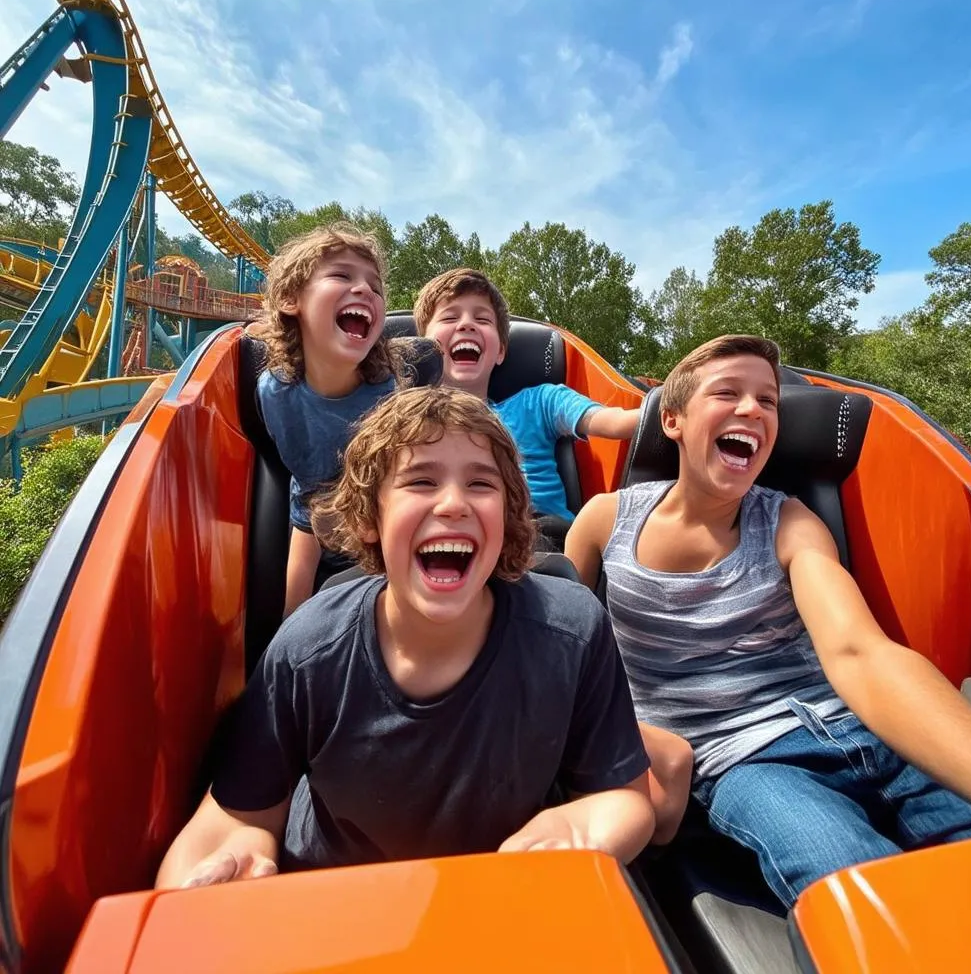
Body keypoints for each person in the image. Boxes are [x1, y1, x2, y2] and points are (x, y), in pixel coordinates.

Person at [565, 334, 971, 908]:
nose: (752, 409)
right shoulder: (606, 521)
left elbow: (861, 653)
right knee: (868, 894)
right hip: (746, 764)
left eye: (768, 401)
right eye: (727, 392)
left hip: (865, 733)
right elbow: (559, 642)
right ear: (674, 420)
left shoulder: (790, 521)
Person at [156, 386, 655, 888]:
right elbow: (237, 818)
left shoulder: (572, 631)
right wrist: (228, 865)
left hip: (496, 893)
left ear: (506, 515)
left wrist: (578, 827)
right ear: (371, 518)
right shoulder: (307, 650)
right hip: (338, 895)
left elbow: (625, 796)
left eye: (481, 484)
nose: (454, 503)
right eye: (420, 481)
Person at [247, 222, 406, 616]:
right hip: (316, 526)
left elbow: (392, 502)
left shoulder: (386, 400)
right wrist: (289, 624)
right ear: (290, 299)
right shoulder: (275, 393)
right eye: (341, 275)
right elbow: (308, 503)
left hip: (379, 538)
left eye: (376, 286)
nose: (366, 289)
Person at [413, 268, 640, 542]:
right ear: (424, 346)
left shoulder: (540, 402)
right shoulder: (409, 418)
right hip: (452, 532)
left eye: (482, 318)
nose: (466, 324)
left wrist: (676, 409)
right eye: (450, 316)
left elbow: (616, 421)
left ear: (500, 352)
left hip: (541, 536)